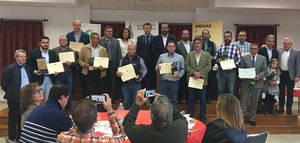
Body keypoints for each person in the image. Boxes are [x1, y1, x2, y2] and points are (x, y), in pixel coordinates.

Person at [123, 89, 188, 143]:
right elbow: (179, 116)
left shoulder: (140, 133)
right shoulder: (181, 127)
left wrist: (137, 104)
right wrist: (165, 102)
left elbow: (127, 123)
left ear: (151, 115)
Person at [57, 94, 126, 142]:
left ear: (72, 118)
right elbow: (121, 135)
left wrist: (86, 106)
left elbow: (77, 122)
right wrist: (110, 110)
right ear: (95, 121)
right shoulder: (104, 141)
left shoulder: (62, 138)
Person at [1, 49, 31, 142]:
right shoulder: (9, 69)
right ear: (16, 57)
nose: (24, 58)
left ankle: (20, 136)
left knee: (22, 118)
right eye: (21, 56)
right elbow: (4, 84)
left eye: (25, 56)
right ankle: (12, 137)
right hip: (14, 97)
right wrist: (12, 93)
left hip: (26, 97)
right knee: (14, 118)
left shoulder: (27, 67)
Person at [240, 43, 267, 126]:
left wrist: (258, 76)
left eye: (255, 49)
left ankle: (252, 118)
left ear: (258, 49)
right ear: (249, 49)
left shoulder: (263, 58)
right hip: (246, 83)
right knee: (243, 102)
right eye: (252, 48)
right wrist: (242, 75)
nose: (253, 50)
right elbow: (241, 68)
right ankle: (242, 119)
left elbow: (265, 70)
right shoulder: (244, 58)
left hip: (257, 83)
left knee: (254, 102)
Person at [185, 38, 211, 122]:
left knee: (203, 100)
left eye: (198, 43)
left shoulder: (207, 55)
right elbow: (187, 66)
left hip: (202, 81)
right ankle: (191, 116)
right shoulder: (189, 54)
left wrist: (200, 74)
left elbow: (208, 66)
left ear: (201, 44)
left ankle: (203, 117)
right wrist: (193, 73)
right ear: (193, 45)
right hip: (192, 80)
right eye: (195, 43)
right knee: (191, 99)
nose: (197, 45)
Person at [27, 36, 59, 100]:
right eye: (43, 42)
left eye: (47, 43)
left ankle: (47, 110)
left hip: (50, 78)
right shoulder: (34, 53)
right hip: (38, 79)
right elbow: (28, 66)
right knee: (36, 98)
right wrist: (35, 71)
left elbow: (57, 64)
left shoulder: (53, 53)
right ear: (40, 43)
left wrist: (57, 72)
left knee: (49, 98)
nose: (45, 44)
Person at [117, 43, 147, 109]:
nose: (131, 51)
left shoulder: (139, 59)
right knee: (126, 101)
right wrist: (118, 74)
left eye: (132, 49)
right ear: (127, 50)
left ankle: (136, 117)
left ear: (135, 50)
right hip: (125, 85)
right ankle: (127, 117)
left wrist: (140, 77)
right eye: (129, 49)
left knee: (136, 102)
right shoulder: (123, 59)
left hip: (136, 84)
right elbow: (118, 71)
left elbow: (144, 70)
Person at [78, 32, 109, 97]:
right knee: (88, 92)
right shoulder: (84, 48)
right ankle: (87, 106)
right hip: (87, 72)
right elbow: (80, 60)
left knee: (98, 92)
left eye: (97, 38)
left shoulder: (103, 49)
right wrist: (84, 64)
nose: (95, 40)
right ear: (91, 39)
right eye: (94, 38)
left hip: (99, 73)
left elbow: (106, 62)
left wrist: (103, 67)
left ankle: (97, 106)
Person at [156, 40, 185, 106]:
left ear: (175, 47)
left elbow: (183, 69)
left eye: (172, 46)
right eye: (169, 46)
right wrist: (158, 68)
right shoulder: (162, 56)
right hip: (164, 82)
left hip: (174, 82)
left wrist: (179, 75)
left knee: (173, 100)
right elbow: (156, 67)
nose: (171, 48)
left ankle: (172, 116)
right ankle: (163, 116)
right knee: (163, 101)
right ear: (167, 47)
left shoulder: (180, 57)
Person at [99, 25, 122, 102]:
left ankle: (111, 99)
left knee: (113, 83)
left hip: (113, 65)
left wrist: (119, 66)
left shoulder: (116, 41)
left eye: (111, 31)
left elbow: (119, 55)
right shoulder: (100, 41)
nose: (109, 33)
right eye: (108, 31)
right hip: (103, 65)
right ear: (104, 32)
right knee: (103, 83)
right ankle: (104, 99)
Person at [257, 34, 279, 114]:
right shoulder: (261, 50)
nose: (271, 43)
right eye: (269, 41)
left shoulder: (275, 51)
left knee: (271, 93)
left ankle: (271, 109)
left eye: (272, 41)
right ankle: (261, 109)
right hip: (263, 73)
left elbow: (277, 63)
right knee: (262, 92)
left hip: (272, 75)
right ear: (266, 41)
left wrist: (277, 72)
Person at [278, 37, 300, 115]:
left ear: (291, 44)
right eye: (285, 43)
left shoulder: (296, 52)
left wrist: (298, 75)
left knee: (290, 93)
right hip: (281, 74)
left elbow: (298, 65)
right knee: (281, 92)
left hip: (291, 75)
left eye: (288, 43)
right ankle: (281, 108)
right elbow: (276, 62)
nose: (286, 45)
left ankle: (289, 109)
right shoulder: (279, 51)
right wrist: (277, 70)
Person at [52, 35, 76, 108]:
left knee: (69, 91)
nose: (63, 41)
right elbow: (52, 62)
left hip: (68, 73)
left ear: (67, 41)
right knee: (58, 91)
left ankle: (68, 107)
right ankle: (58, 106)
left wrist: (71, 63)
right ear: (59, 41)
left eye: (65, 40)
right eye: (61, 40)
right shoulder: (54, 50)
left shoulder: (71, 51)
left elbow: (75, 63)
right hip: (58, 74)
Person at [137, 23, 155, 90]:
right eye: (145, 28)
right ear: (143, 29)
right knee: (143, 81)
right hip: (142, 63)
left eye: (148, 28)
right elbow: (138, 51)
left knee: (151, 81)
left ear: (151, 29)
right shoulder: (139, 38)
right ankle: (142, 97)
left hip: (152, 63)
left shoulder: (155, 38)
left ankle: (150, 99)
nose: (147, 29)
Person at [177, 29, 193, 103]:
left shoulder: (192, 44)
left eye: (187, 34)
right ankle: (182, 98)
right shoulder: (177, 44)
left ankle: (189, 98)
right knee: (182, 84)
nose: (185, 35)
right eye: (184, 34)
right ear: (181, 35)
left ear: (189, 35)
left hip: (191, 67)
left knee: (190, 84)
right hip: (181, 67)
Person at [201, 29, 217, 103]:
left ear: (209, 35)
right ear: (202, 35)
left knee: (209, 83)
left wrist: (211, 57)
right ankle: (200, 98)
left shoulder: (213, 44)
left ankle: (208, 98)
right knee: (200, 83)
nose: (205, 35)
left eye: (206, 34)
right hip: (200, 67)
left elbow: (215, 56)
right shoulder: (199, 43)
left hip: (209, 67)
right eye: (204, 34)